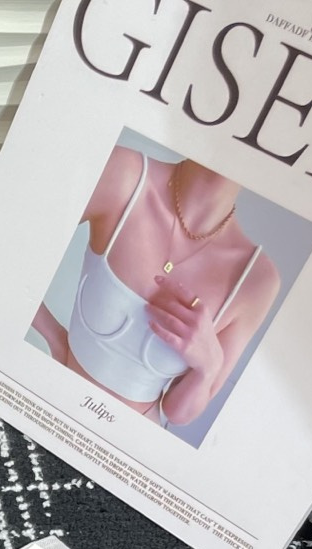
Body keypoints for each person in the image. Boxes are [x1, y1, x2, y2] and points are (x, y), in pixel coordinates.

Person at [32, 145, 279, 428]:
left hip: (130, 443)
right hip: (53, 407)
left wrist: (208, 367)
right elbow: (14, 245)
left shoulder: (257, 278)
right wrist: (55, 337)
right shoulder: (124, 175)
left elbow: (177, 414)